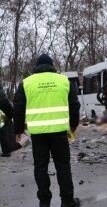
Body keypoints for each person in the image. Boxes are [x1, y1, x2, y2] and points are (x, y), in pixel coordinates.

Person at [13, 54, 81, 207]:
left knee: (41, 168)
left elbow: (18, 108)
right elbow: (74, 105)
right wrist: (73, 125)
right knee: (63, 166)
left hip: (38, 135)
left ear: (36, 67)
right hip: (60, 133)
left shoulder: (26, 83)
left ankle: (44, 203)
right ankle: (67, 201)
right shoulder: (64, 81)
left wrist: (18, 130)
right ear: (52, 65)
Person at [0, 82, 21, 156]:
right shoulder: (2, 95)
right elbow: (7, 106)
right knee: (4, 132)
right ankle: (7, 151)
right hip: (3, 117)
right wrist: (10, 116)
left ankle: (6, 151)